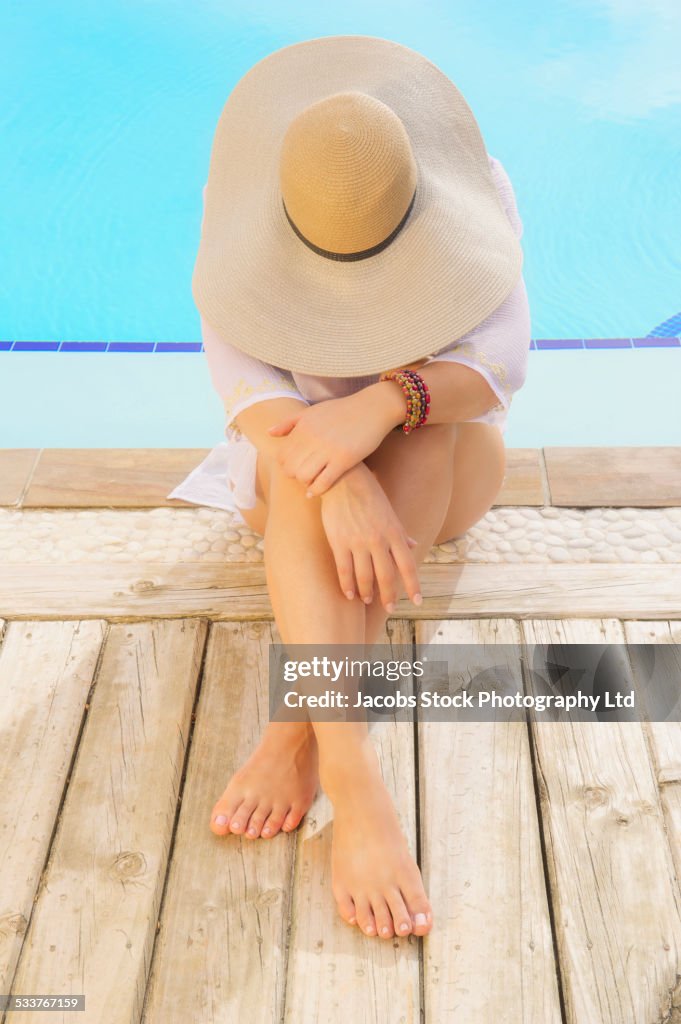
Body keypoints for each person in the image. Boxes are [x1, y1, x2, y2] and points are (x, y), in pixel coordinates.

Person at [172, 35, 531, 940]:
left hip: (440, 479)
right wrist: (335, 475)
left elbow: (497, 366)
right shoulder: (241, 210)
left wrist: (380, 406)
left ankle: (300, 729)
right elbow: (247, 393)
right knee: (303, 464)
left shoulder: (475, 188)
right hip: (286, 489)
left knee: (425, 428)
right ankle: (352, 772)